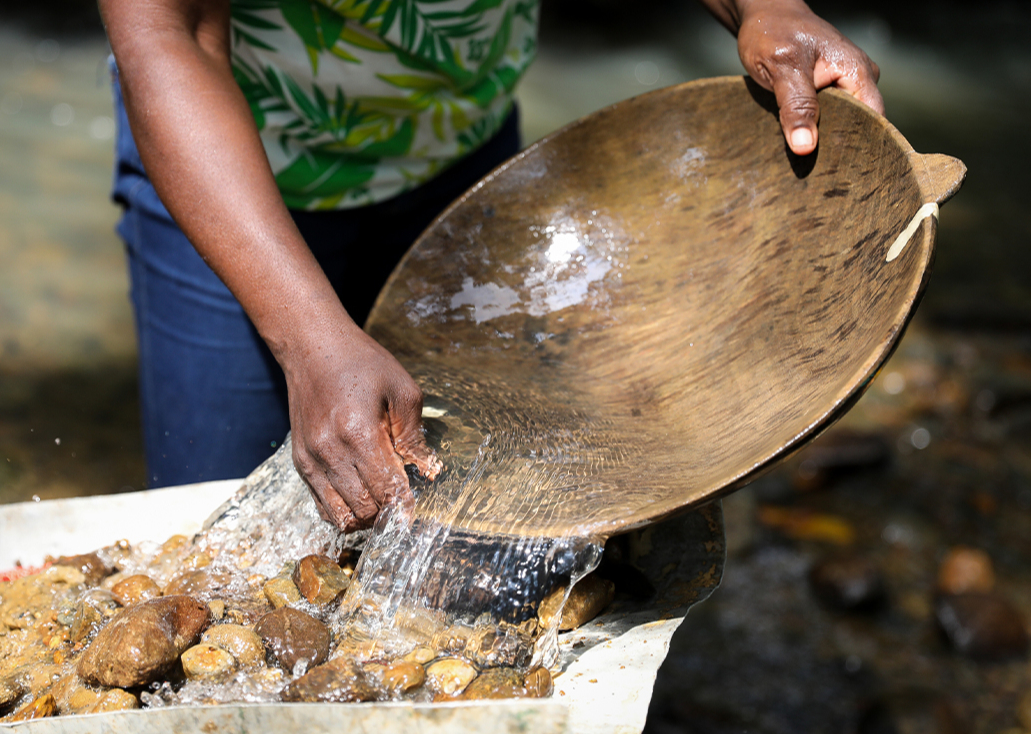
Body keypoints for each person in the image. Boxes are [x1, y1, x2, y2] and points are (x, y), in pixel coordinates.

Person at [98, 0, 883, 532]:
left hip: (465, 156)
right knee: (229, 533)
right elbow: (172, 34)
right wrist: (308, 339)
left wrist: (764, 6)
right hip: (238, 185)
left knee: (497, 515)